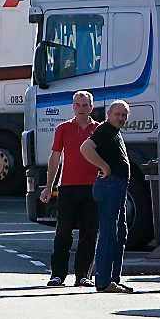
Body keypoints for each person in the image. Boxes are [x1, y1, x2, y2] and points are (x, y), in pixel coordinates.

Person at [41, 91, 100, 287]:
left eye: (85, 105)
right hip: (67, 187)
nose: (81, 109)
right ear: (72, 107)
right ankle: (57, 275)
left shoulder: (99, 129)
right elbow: (55, 158)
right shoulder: (63, 129)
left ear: (91, 107)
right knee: (63, 231)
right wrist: (48, 187)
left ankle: (83, 275)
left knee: (89, 232)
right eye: (78, 105)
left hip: (92, 187)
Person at [80, 100, 134, 294]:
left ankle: (113, 279)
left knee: (120, 233)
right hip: (109, 185)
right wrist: (104, 167)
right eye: (118, 114)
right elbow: (85, 148)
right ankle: (102, 281)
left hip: (117, 186)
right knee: (109, 233)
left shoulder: (114, 132)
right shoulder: (104, 130)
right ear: (109, 113)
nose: (121, 118)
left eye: (124, 115)